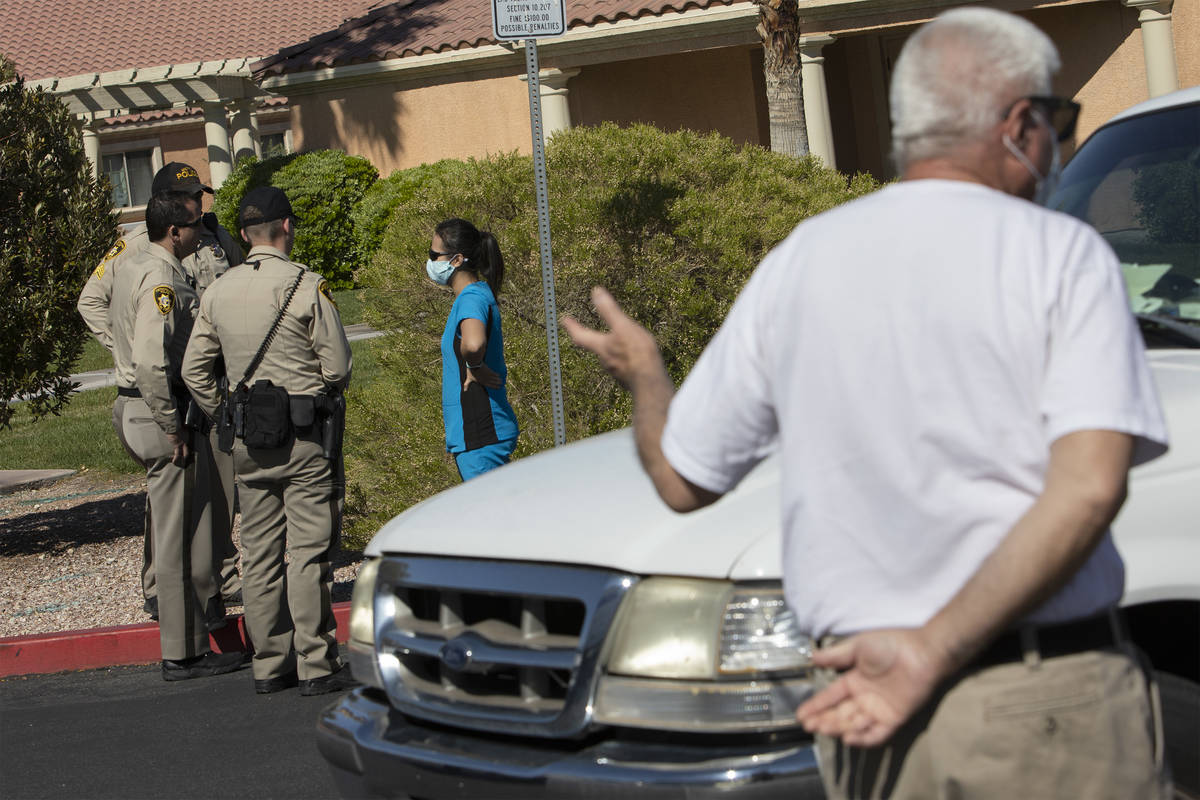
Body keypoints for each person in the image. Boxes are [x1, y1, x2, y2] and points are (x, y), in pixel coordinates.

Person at [563, 8, 1171, 799]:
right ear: (1021, 124)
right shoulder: (1058, 253)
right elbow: (1089, 485)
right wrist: (932, 650)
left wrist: (648, 374)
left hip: (862, 715)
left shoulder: (803, 259)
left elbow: (683, 482)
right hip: (1038, 706)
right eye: (1059, 120)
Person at [182, 186, 355, 696]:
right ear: (287, 228)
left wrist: (224, 413)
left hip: (248, 441)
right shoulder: (306, 286)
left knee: (257, 552)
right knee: (307, 550)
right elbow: (338, 367)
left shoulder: (218, 291)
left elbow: (195, 369)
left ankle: (269, 662)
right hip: (304, 437)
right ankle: (316, 662)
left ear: (242, 234)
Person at [78, 161, 243, 624]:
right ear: (165, 205)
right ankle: (160, 585)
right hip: (167, 388)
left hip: (211, 382)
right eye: (189, 197)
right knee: (169, 497)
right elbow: (90, 301)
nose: (199, 204)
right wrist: (125, 350)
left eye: (200, 195)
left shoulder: (212, 235)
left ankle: (220, 574)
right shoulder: (134, 246)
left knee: (218, 487)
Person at [109, 191, 246, 681]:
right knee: (175, 535)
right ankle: (181, 654)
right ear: (175, 231)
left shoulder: (136, 262)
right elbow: (151, 359)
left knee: (187, 527)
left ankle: (194, 636)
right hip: (157, 413)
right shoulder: (162, 278)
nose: (200, 232)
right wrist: (171, 425)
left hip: (145, 407)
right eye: (193, 225)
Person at [426, 218, 518, 480]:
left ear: (456, 260)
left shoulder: (472, 297)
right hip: (476, 436)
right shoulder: (475, 295)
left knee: (492, 519)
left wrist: (474, 366)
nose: (430, 261)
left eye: (434, 254)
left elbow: (474, 342)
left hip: (480, 434)